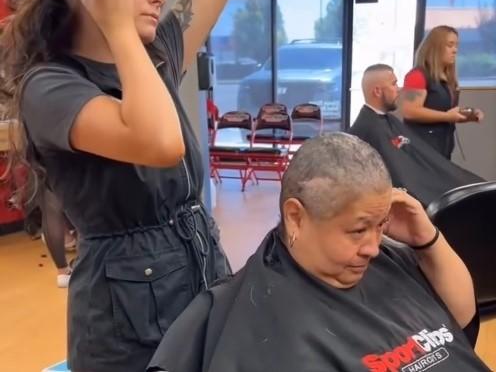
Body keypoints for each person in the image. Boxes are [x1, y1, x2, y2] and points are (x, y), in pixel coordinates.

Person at [0, 0, 241, 372]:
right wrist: (116, 26)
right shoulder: (50, 85)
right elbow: (159, 144)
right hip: (127, 323)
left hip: (202, 276)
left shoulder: (159, 55)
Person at [148, 133, 490, 372]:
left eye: (381, 225)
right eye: (357, 230)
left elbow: (461, 320)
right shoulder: (240, 310)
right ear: (296, 217)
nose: (373, 247)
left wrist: (426, 238)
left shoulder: (389, 259)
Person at [349, 64, 483, 207]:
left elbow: (423, 162)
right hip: (415, 197)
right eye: (394, 84)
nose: (399, 89)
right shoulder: (368, 129)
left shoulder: (389, 122)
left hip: (428, 185)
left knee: (475, 188)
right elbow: (400, 177)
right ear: (377, 91)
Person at [401, 26, 483, 159]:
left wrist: (467, 114)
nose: (455, 50)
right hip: (421, 151)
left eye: (456, 45)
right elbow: (409, 111)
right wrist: (447, 117)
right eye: (450, 45)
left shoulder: (448, 79)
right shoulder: (417, 76)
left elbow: (444, 112)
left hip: (443, 149)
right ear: (435, 47)